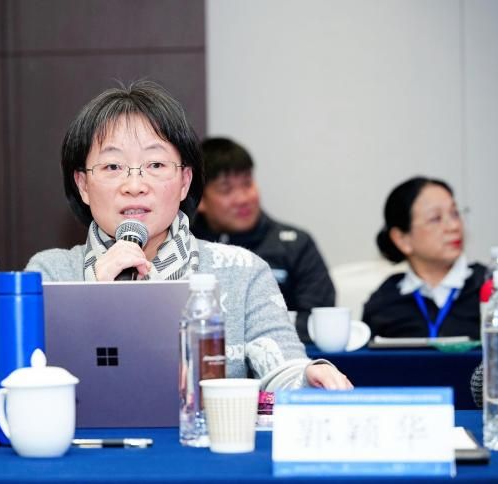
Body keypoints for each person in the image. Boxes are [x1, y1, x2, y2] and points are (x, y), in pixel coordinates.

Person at [25, 80, 351, 391]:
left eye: (155, 164)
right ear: (83, 185)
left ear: (184, 182)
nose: (134, 185)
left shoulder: (241, 270)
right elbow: (18, 383)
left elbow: (283, 368)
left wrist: (308, 377)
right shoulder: (48, 275)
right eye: (113, 167)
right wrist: (92, 295)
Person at [191, 137, 335, 343]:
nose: (243, 199)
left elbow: (317, 318)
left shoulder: (296, 244)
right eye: (226, 189)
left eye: (247, 184)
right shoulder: (186, 246)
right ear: (200, 200)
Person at [362, 176, 485, 339]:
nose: (454, 226)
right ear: (402, 239)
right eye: (436, 218)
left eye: (455, 213)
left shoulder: (491, 287)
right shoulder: (384, 302)